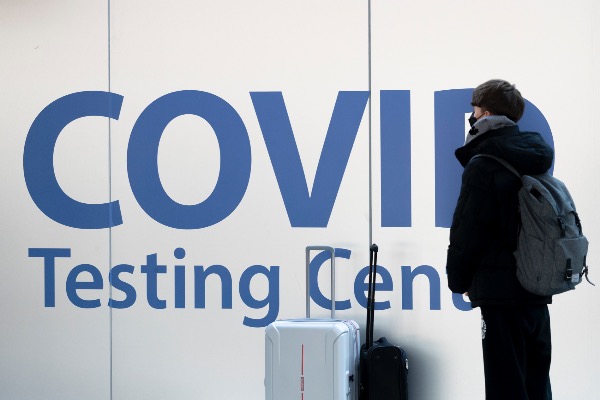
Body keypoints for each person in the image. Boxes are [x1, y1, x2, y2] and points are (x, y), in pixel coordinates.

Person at [446, 79, 554, 399]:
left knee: (504, 383)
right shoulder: (534, 157)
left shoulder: (483, 164)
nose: (472, 116)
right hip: (536, 285)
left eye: (475, 109)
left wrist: (458, 279)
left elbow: (469, 229)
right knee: (536, 383)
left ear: (487, 114)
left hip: (499, 291)